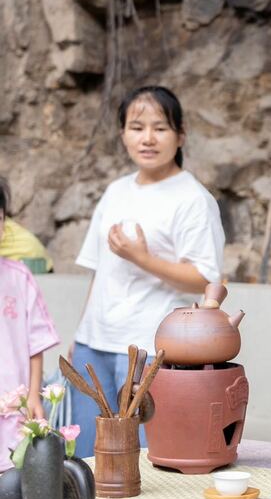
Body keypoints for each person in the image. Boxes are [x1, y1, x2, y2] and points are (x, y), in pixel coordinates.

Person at [70, 86, 225, 458]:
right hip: (94, 345)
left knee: (141, 462)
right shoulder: (115, 191)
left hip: (148, 348)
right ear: (123, 133)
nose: (148, 138)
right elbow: (99, 271)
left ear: (180, 135)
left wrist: (141, 257)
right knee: (89, 459)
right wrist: (80, 334)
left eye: (160, 128)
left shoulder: (193, 199)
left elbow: (207, 280)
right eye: (137, 127)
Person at [0, 176, 60, 471]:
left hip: (14, 409)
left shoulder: (19, 277)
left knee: (13, 482)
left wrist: (35, 395)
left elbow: (36, 343)